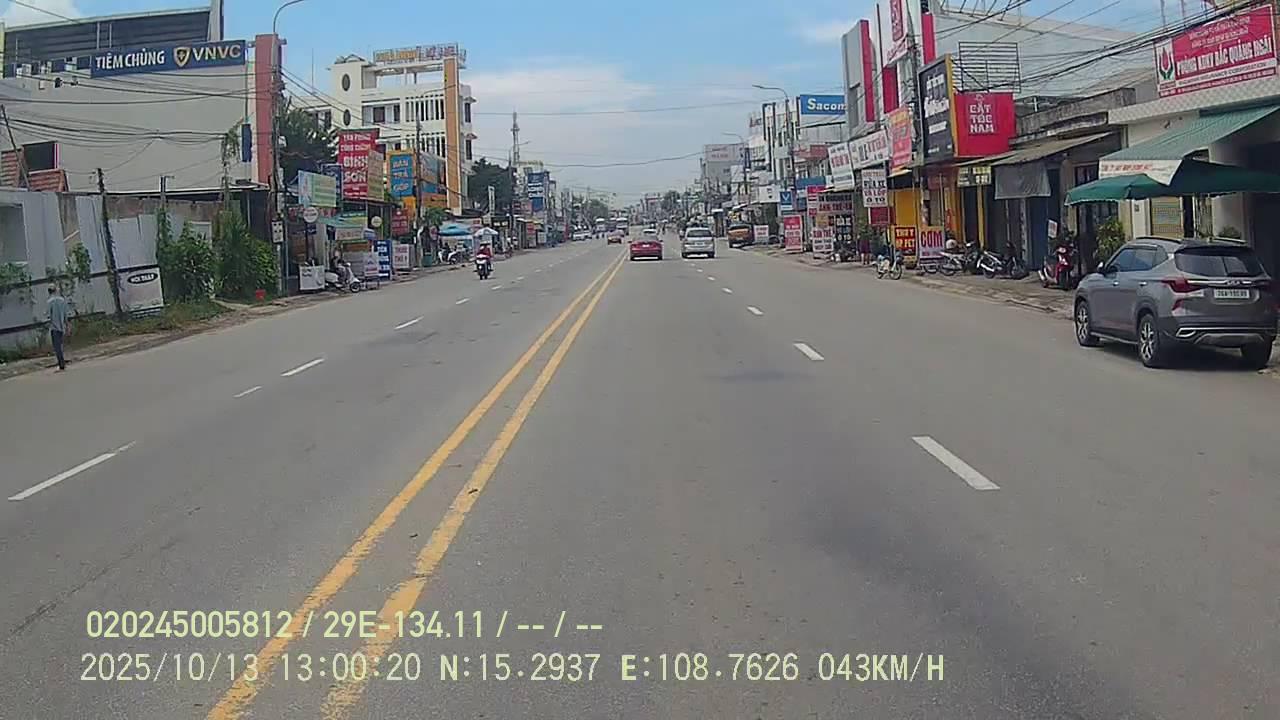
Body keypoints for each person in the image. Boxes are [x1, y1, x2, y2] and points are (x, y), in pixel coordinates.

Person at [47, 286, 69, 371]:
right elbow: (66, 314)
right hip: (62, 326)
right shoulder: (62, 300)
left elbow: (49, 316)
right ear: (56, 290)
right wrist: (67, 326)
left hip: (54, 327)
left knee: (57, 347)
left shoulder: (49, 302)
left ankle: (61, 364)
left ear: (49, 292)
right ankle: (62, 363)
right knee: (60, 345)